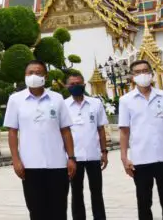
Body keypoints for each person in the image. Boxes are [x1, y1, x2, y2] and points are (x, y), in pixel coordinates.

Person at [6, 60, 76, 220]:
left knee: (59, 210)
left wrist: (71, 157)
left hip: (57, 164)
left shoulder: (57, 99)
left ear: (45, 76)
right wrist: (16, 160)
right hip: (30, 166)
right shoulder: (16, 100)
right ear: (24, 76)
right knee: (36, 211)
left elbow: (65, 131)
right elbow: (12, 132)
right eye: (30, 73)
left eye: (38, 72)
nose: (34, 76)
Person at [118, 59, 163, 220]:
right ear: (132, 76)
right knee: (143, 201)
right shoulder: (126, 100)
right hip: (140, 159)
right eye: (138, 72)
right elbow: (124, 131)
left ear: (151, 73)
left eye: (145, 71)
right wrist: (123, 157)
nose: (143, 74)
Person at [64, 73, 107, 220]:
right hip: (73, 158)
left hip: (93, 155)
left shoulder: (96, 104)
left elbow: (101, 129)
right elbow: (62, 133)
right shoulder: (63, 106)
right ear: (67, 86)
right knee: (76, 192)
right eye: (72, 84)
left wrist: (104, 151)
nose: (76, 86)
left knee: (97, 192)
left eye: (79, 83)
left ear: (84, 84)